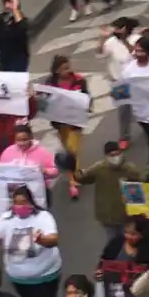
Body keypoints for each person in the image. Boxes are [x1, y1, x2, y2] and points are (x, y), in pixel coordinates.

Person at [43, 54, 89, 200]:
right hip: (60, 123)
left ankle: (73, 181)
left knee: (72, 150)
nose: (67, 71)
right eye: (63, 69)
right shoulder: (50, 83)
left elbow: (86, 98)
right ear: (56, 70)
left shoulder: (79, 80)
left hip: (75, 123)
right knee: (67, 150)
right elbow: (45, 101)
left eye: (68, 67)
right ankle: (74, 171)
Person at [76, 142, 141, 241]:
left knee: (128, 241)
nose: (115, 157)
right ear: (106, 156)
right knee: (113, 241)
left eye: (117, 154)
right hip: (108, 215)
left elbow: (140, 184)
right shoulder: (99, 168)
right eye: (112, 155)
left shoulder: (130, 169)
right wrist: (78, 175)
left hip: (126, 215)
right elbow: (86, 178)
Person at [97, 17, 140, 150]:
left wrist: (124, 40)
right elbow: (100, 53)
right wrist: (102, 39)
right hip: (120, 83)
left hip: (137, 81)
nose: (116, 31)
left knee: (141, 106)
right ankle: (124, 137)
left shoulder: (136, 38)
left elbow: (136, 53)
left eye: (119, 28)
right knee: (123, 111)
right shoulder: (111, 42)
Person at [0, 122, 58, 193]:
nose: (21, 143)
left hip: (38, 190)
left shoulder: (42, 152)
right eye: (18, 140)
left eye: (24, 140)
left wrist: (45, 171)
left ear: (31, 137)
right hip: (14, 192)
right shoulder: (8, 152)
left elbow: (55, 171)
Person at [0, 0, 30, 72]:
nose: (7, 5)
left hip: (19, 57)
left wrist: (15, 9)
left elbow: (22, 28)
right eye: (7, 3)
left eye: (11, 3)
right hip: (4, 57)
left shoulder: (21, 19)